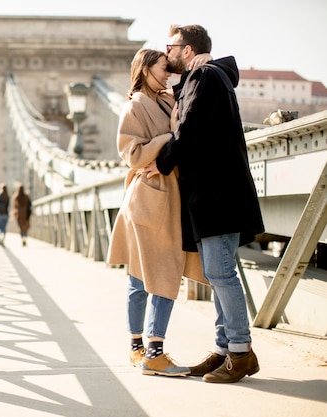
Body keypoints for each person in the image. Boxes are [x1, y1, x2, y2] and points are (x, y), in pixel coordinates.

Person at [148, 24, 265, 383]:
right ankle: (223, 349)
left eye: (171, 47)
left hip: (217, 194)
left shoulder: (204, 75)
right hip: (214, 195)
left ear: (187, 49)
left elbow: (191, 127)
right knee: (218, 275)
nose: (166, 53)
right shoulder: (206, 76)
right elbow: (195, 114)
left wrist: (161, 160)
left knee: (220, 274)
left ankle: (241, 352)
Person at [107, 48, 208, 377]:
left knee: (144, 276)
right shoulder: (134, 106)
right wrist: (167, 139)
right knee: (160, 273)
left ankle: (139, 349)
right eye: (163, 69)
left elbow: (190, 133)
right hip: (148, 199)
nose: (168, 74)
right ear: (146, 69)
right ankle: (152, 352)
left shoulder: (167, 100)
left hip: (166, 197)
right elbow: (132, 153)